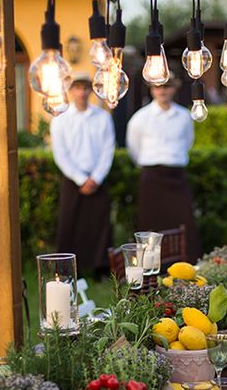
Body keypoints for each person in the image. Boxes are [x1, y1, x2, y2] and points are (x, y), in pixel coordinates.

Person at [126, 76, 201, 262]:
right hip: (152, 177)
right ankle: (152, 265)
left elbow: (187, 142)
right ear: (152, 89)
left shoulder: (184, 116)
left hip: (176, 176)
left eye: (166, 87)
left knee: (183, 221)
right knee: (151, 224)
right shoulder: (140, 118)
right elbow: (133, 147)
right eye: (158, 87)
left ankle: (185, 263)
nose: (162, 91)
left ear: (174, 89)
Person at [50, 74, 115, 277]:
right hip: (72, 180)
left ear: (91, 91)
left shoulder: (103, 117)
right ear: (71, 91)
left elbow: (108, 149)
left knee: (100, 224)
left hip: (97, 179)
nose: (82, 92)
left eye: (86, 88)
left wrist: (96, 177)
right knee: (69, 224)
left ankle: (101, 268)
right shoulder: (60, 119)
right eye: (77, 88)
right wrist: (80, 178)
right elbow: (60, 154)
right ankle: (67, 269)